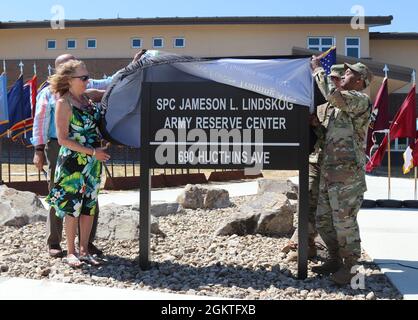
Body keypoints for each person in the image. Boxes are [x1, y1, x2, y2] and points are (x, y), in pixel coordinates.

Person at [33, 51, 145, 258]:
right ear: (62, 72)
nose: (87, 79)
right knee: (62, 198)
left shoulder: (87, 93)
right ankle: (56, 243)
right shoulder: (50, 96)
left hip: (92, 155)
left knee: (89, 201)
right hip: (60, 147)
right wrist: (38, 150)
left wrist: (133, 65)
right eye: (81, 74)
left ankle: (86, 245)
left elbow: (112, 83)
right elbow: (40, 124)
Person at [310, 57, 373, 285]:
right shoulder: (338, 107)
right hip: (330, 174)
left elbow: (333, 96)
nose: (343, 76)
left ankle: (352, 268)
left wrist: (318, 71)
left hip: (348, 179)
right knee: (323, 220)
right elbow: (329, 136)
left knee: (344, 222)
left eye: (348, 74)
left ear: (359, 81)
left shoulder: (360, 100)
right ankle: (335, 259)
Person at [46, 60, 110, 267]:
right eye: (83, 78)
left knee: (88, 206)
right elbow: (63, 139)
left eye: (87, 76)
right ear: (68, 80)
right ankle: (71, 252)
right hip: (73, 163)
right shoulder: (63, 104)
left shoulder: (89, 97)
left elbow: (113, 86)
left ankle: (84, 250)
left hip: (93, 163)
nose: (87, 80)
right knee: (72, 208)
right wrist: (92, 151)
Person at [282, 65, 345, 262]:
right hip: (317, 160)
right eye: (331, 78)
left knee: (334, 208)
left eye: (337, 79)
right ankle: (304, 243)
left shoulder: (350, 103)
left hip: (339, 165)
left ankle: (340, 255)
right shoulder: (321, 107)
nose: (333, 81)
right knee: (307, 198)